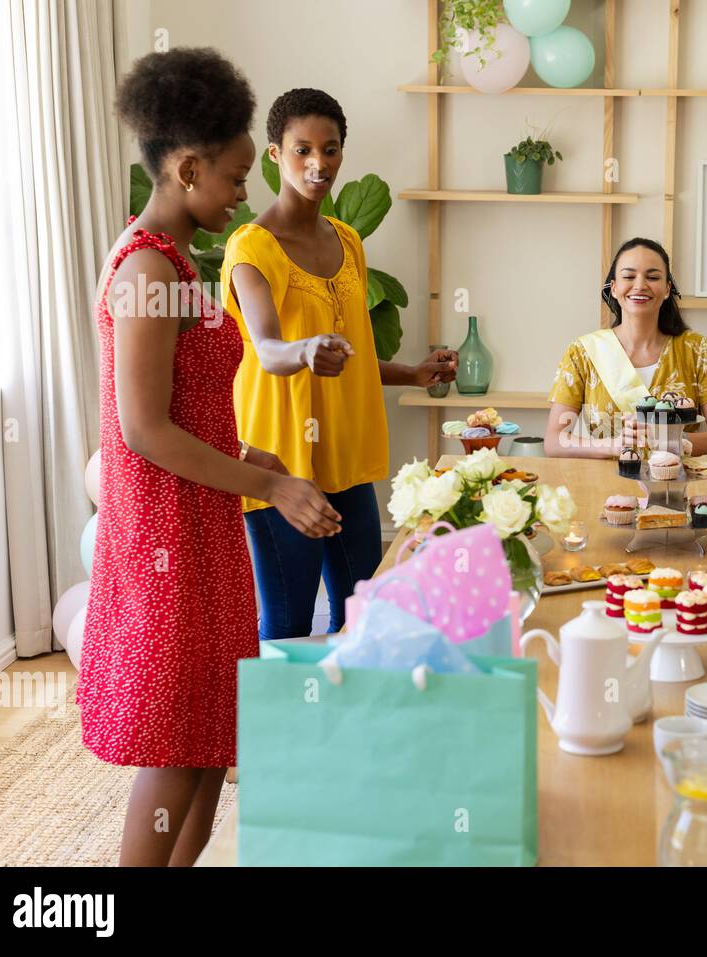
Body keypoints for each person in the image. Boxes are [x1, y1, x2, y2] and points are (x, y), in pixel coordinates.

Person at [80, 48, 341, 866]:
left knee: (204, 732)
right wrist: (268, 480)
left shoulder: (175, 259)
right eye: (233, 176)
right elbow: (144, 429)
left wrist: (263, 458)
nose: (242, 192)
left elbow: (191, 410)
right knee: (172, 739)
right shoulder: (148, 268)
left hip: (203, 521)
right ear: (187, 168)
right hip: (168, 533)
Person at [223, 88, 457, 639]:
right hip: (283, 463)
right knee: (288, 621)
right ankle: (275, 727)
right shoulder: (251, 248)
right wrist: (303, 351)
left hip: (348, 458)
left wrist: (411, 373)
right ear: (275, 154)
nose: (318, 163)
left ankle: (350, 725)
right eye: (302, 149)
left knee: (363, 619)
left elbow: (349, 355)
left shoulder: (348, 241)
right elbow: (267, 348)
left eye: (330, 150)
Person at [545, 237, 707, 459]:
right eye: (628, 276)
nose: (639, 285)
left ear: (667, 289)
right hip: (604, 488)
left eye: (652, 277)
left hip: (676, 486)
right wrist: (612, 445)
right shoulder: (582, 352)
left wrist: (670, 440)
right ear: (614, 288)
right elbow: (553, 441)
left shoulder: (696, 349)